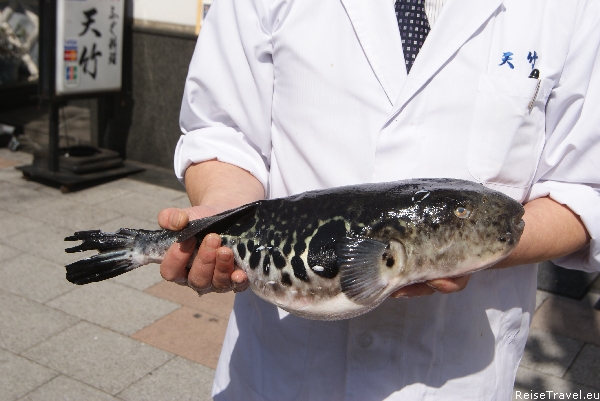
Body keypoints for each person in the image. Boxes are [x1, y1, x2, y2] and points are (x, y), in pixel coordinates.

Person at [158, 0, 599, 399]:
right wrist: (222, 210)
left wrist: (458, 251)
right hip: (282, 365)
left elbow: (583, 187)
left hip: (456, 372)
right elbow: (223, 130)